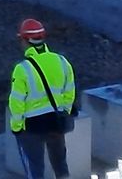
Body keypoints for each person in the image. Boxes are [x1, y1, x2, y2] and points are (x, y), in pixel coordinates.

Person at [9, 18, 78, 179]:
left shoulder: (22, 69)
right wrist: (64, 112)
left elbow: (17, 102)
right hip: (56, 121)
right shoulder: (62, 62)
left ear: (25, 41)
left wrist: (17, 127)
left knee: (35, 168)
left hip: (32, 126)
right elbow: (70, 92)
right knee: (60, 165)